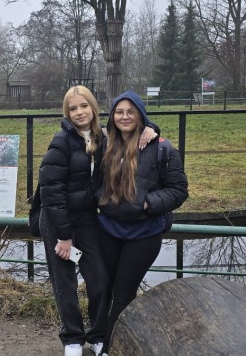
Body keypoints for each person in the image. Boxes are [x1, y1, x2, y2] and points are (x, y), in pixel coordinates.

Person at [38, 86, 157, 356]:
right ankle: (72, 338)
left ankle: (98, 334)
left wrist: (151, 128)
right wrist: (64, 236)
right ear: (67, 113)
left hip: (87, 217)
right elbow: (51, 192)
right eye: (73, 108)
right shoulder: (61, 142)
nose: (79, 112)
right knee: (65, 281)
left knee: (100, 278)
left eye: (84, 106)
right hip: (57, 219)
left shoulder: (103, 138)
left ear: (93, 108)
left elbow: (130, 128)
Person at [95, 90, 189, 354]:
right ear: (112, 116)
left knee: (124, 293)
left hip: (144, 233)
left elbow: (178, 190)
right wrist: (102, 199)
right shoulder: (104, 145)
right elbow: (92, 180)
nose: (124, 117)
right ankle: (102, 338)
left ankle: (111, 347)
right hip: (108, 229)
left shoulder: (162, 149)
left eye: (131, 112)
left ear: (140, 115)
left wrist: (146, 203)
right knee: (104, 287)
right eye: (119, 112)